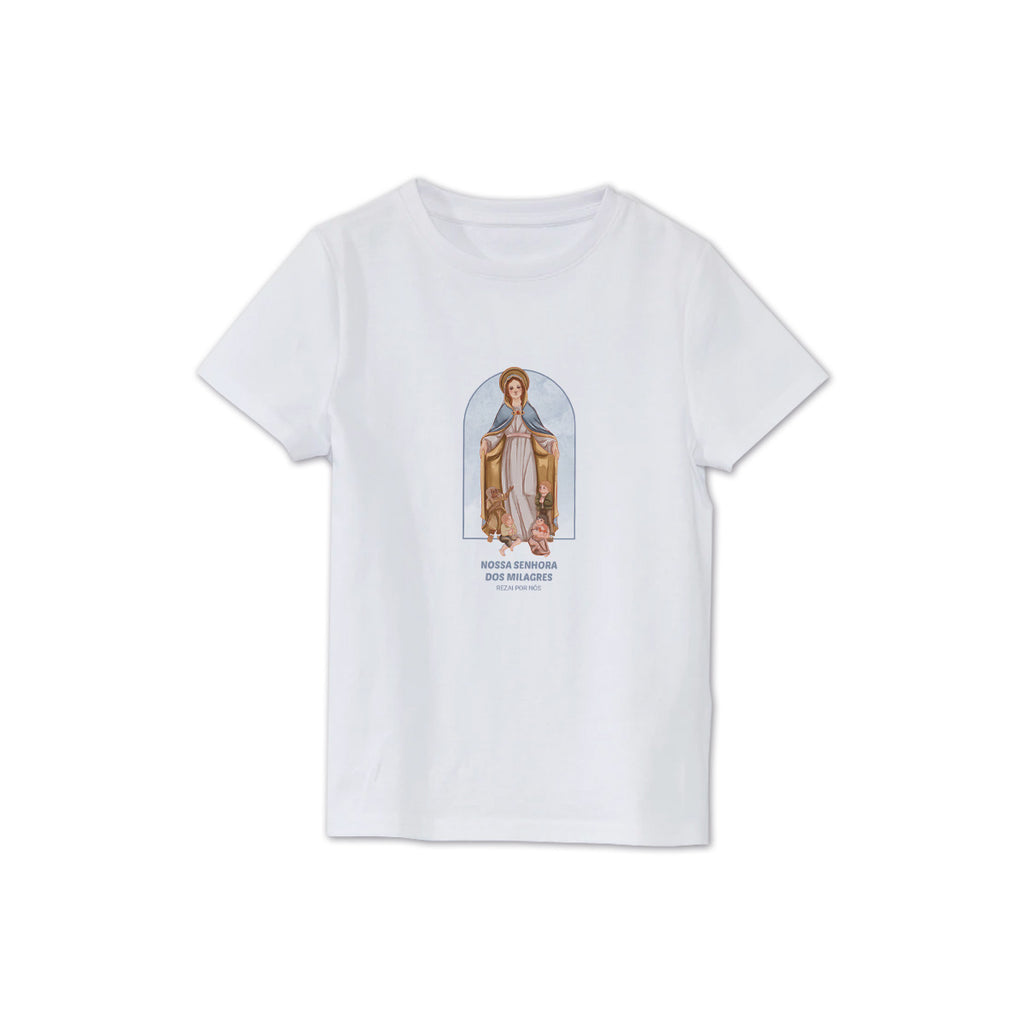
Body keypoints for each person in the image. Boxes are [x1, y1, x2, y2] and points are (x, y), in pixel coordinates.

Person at [480, 367, 559, 542]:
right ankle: (516, 532)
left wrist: (551, 444)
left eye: (518, 387)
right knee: (514, 490)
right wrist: (486, 442)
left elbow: (540, 433)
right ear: (507, 391)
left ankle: (533, 531)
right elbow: (496, 433)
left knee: (529, 490)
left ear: (523, 389)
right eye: (511, 388)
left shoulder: (529, 411)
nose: (515, 390)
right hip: (510, 454)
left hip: (527, 453)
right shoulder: (504, 412)